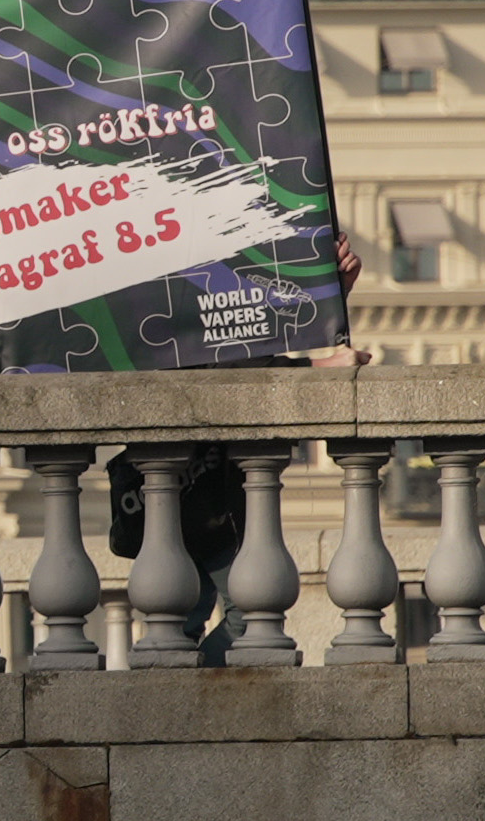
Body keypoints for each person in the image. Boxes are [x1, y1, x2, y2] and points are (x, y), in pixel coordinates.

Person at [111, 235, 368, 660]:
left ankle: (174, 707)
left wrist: (329, 293)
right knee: (236, 618)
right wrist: (316, 366)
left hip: (211, 487)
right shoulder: (174, 272)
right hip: (193, 486)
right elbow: (227, 359)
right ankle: (179, 706)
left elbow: (247, 333)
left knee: (187, 623)